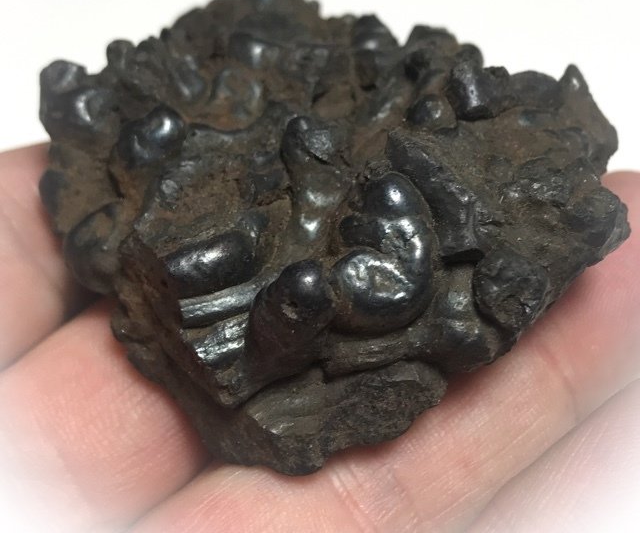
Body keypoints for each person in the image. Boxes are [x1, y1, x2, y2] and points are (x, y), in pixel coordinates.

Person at [0, 144, 638, 533]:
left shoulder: (381, 259)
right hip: (316, 302)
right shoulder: (361, 231)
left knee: (298, 286)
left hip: (355, 300)